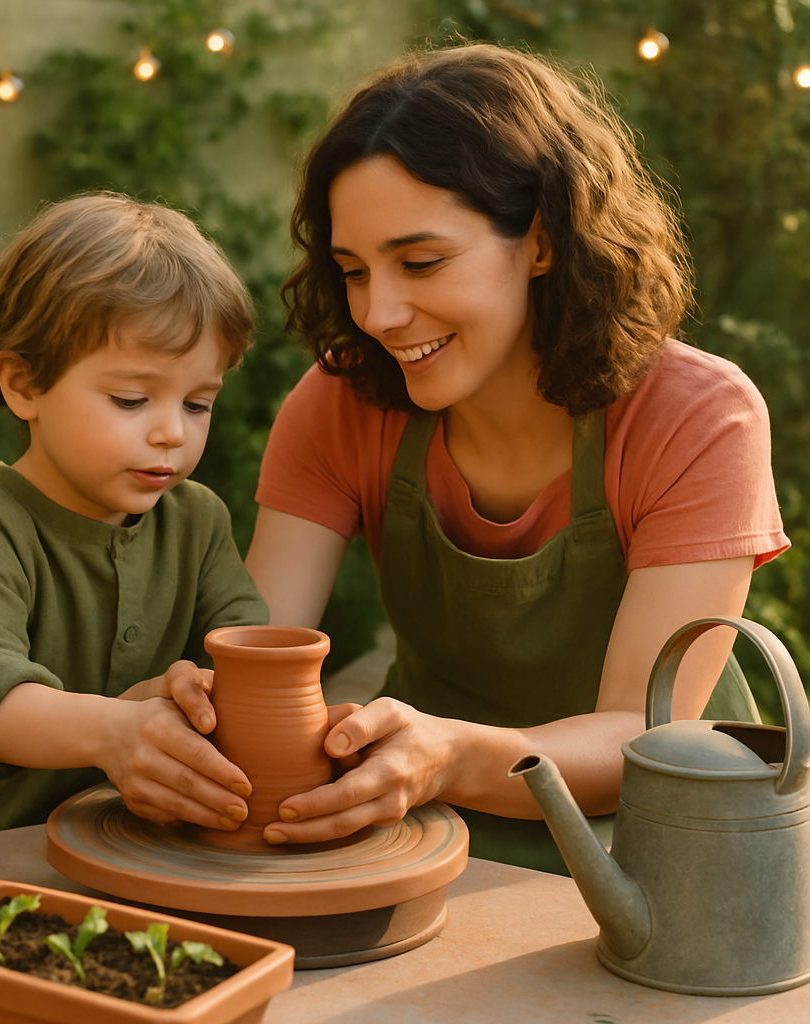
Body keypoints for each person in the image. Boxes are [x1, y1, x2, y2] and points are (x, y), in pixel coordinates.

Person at [245, 44, 790, 872]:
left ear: (541, 240)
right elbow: (258, 649)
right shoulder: (341, 401)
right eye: (352, 270)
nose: (379, 314)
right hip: (426, 833)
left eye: (421, 262)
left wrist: (451, 756)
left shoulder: (698, 418)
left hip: (667, 853)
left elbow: (645, 739)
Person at [0, 193, 268, 838]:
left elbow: (244, 650)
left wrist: (200, 686)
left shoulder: (197, 522)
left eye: (199, 404)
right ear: (24, 385)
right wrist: (115, 728)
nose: (172, 433)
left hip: (128, 858)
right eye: (131, 399)